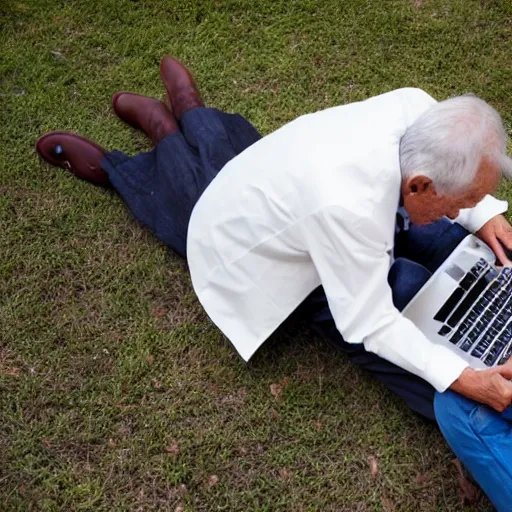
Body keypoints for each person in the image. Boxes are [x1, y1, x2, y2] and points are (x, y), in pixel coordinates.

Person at [36, 56, 512, 509]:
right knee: (187, 196)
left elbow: (446, 190)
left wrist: (484, 213)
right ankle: (127, 158)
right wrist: (465, 378)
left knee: (452, 248)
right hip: (252, 243)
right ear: (419, 187)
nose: (460, 211)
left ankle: (186, 111)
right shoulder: (345, 205)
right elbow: (369, 322)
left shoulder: (424, 116)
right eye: (460, 200)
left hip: (310, 193)